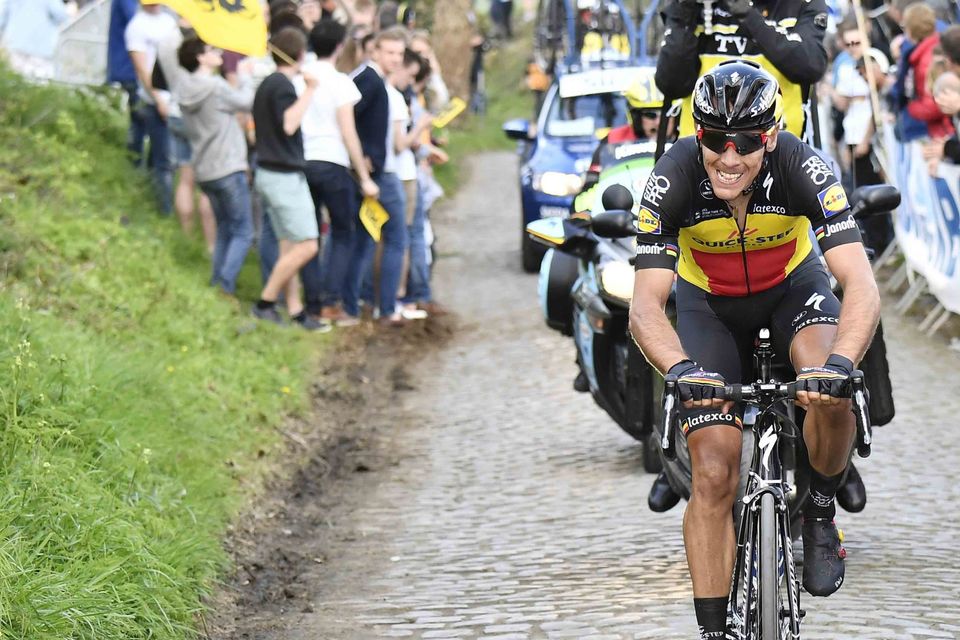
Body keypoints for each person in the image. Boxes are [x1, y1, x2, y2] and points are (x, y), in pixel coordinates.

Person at [629, 61, 880, 639]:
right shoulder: (672, 177)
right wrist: (681, 368)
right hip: (710, 309)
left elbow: (860, 284)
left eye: (745, 141)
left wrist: (841, 364)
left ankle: (820, 509)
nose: (729, 156)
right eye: (715, 139)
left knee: (829, 390)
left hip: (793, 291)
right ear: (698, 135)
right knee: (714, 470)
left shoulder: (802, 166)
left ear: (770, 137)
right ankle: (714, 631)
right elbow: (645, 307)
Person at [158, 32, 254, 297]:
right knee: (243, 231)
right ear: (200, 57)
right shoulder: (214, 87)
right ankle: (225, 285)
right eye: (212, 49)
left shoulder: (184, 88)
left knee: (224, 228)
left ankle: (217, 282)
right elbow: (247, 102)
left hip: (204, 168)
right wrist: (245, 76)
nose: (218, 53)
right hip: (228, 166)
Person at [299, 18, 379, 325]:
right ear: (340, 46)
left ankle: (312, 301)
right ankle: (331, 300)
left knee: (310, 232)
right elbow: (348, 132)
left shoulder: (301, 78)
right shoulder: (341, 82)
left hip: (303, 161)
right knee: (343, 232)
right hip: (333, 162)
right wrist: (364, 177)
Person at [655, 0, 829, 140]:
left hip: (776, 151)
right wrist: (684, 12)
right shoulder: (696, 7)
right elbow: (672, 85)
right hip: (703, 150)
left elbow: (809, 66)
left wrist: (748, 15)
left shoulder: (801, 4)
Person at [252, 27, 328, 331]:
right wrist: (310, 90)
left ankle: (295, 311)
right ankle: (265, 303)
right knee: (307, 246)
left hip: (269, 173)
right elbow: (289, 124)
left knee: (289, 246)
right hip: (283, 176)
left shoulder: (267, 84)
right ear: (300, 54)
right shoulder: (283, 86)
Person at [345, 26, 411, 327]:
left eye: (399, 53)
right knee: (396, 238)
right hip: (377, 174)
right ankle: (385, 307)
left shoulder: (375, 80)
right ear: (376, 51)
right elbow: (345, 117)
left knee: (365, 240)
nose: (395, 59)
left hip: (374, 171)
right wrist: (361, 159)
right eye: (390, 52)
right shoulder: (368, 80)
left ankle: (357, 303)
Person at [125, 1, 178, 215]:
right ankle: (164, 210)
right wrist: (158, 98)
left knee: (160, 155)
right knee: (164, 159)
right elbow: (142, 69)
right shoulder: (137, 26)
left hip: (172, 95)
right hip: (154, 99)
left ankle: (150, 198)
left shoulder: (169, 21)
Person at [0, 0, 69, 81]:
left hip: (16, 45)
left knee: (16, 81)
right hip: (40, 49)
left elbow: (2, 19)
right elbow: (62, 17)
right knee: (40, 82)